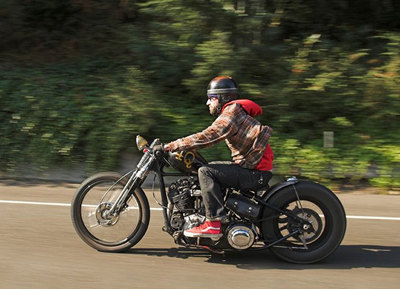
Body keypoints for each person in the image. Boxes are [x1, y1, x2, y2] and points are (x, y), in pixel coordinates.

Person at [164, 76, 273, 238]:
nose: (208, 103)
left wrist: (173, 145)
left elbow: (209, 136)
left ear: (224, 97)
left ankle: (213, 224)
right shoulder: (233, 111)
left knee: (206, 172)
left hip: (255, 172)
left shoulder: (231, 112)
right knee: (207, 168)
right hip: (252, 167)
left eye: (211, 98)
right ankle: (214, 220)